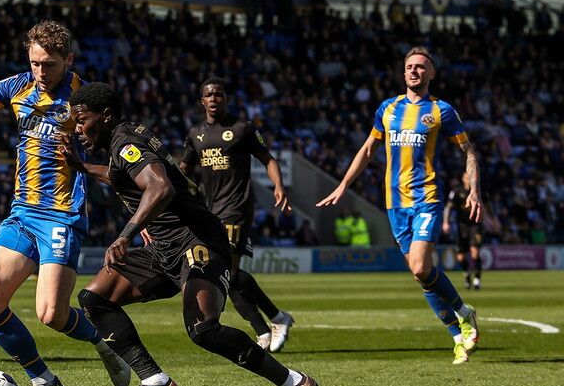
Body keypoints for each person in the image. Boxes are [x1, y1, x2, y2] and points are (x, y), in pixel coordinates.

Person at [59, 82, 317, 386]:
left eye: (82, 120)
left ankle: (295, 382)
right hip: (165, 247)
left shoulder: (126, 143)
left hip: (197, 241)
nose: (78, 129)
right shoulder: (123, 140)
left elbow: (159, 186)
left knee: (204, 329)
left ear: (105, 116)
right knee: (95, 299)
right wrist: (83, 168)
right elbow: (125, 177)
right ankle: (156, 383)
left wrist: (125, 235)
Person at [0, 21, 130, 386]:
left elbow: (119, 158)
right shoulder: (17, 87)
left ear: (68, 60)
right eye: (34, 63)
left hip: (62, 214)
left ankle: (105, 345)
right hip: (22, 212)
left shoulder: (84, 98)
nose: (40, 72)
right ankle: (43, 380)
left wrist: (138, 217)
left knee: (52, 314)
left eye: (48, 64)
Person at [318, 46, 481, 364]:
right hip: (395, 205)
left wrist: (474, 190)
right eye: (410, 66)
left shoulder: (441, 111)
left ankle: (463, 311)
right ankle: (458, 335)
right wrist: (343, 185)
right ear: (403, 71)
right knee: (420, 275)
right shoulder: (388, 109)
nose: (414, 71)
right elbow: (367, 150)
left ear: (431, 74)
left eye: (421, 67)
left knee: (421, 266)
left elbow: (469, 152)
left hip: (426, 199)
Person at [181, 78, 295, 353]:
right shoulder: (195, 133)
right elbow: (184, 168)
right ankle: (268, 326)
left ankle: (275, 321)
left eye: (218, 94)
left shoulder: (243, 129)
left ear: (226, 98)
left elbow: (268, 159)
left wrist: (278, 185)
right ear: (202, 101)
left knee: (228, 272)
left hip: (236, 209)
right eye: (208, 95)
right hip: (210, 213)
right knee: (225, 275)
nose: (213, 98)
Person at [444, 173, 483, 290]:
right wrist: (446, 222)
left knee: (475, 252)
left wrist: (493, 220)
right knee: (461, 257)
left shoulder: (478, 192)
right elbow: (449, 207)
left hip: (475, 225)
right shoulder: (456, 192)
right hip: (462, 227)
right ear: (462, 179)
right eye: (467, 177)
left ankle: (477, 279)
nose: (469, 180)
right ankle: (466, 274)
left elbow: (488, 206)